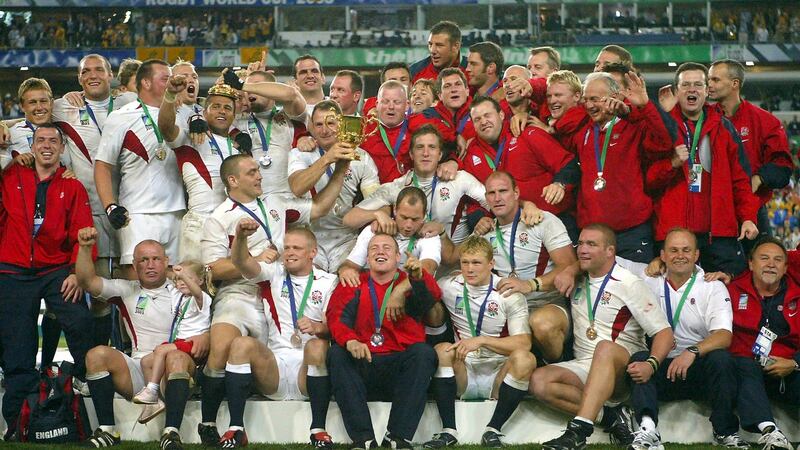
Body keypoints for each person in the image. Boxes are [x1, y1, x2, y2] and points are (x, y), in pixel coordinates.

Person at [198, 153, 344, 445]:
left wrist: (338, 167)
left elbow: (318, 208)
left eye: (258, 170)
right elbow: (212, 269)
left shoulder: (275, 202)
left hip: (278, 288)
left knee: (269, 351)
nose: (260, 175)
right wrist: (254, 255)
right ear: (233, 180)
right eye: (252, 172)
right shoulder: (218, 218)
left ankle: (310, 425)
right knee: (223, 347)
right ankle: (209, 422)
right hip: (240, 292)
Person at [534, 224, 673, 449]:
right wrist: (570, 270)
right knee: (539, 382)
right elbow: (573, 267)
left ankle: (578, 431)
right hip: (585, 364)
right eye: (580, 244)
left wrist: (652, 364)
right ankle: (612, 417)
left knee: (604, 348)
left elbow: (664, 332)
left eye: (591, 244)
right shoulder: (578, 277)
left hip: (620, 367)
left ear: (610, 251)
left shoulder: (629, 283)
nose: (582, 249)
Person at [0, 124, 95, 436]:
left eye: (53, 141)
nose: (47, 145)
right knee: (17, 347)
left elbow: (83, 231)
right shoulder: (11, 176)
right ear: (32, 145)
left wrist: (76, 272)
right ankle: (17, 423)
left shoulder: (73, 185)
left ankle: (84, 379)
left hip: (55, 269)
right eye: (40, 140)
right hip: (13, 269)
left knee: (80, 319)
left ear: (62, 148)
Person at [616, 228, 747, 449]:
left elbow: (724, 335)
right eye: (673, 250)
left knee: (721, 359)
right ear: (662, 255)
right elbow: (611, 261)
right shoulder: (648, 279)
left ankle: (725, 431)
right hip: (660, 366)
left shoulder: (712, 286)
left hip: (697, 369)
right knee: (639, 359)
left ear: (696, 255)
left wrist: (691, 352)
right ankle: (648, 430)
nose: (680, 256)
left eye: (686, 250)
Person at [77, 232, 209, 449]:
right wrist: (84, 248)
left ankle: (171, 433)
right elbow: (86, 281)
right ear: (134, 265)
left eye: (156, 259)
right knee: (96, 355)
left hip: (174, 369)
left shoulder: (182, 289)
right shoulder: (126, 290)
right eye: (143, 260)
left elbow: (206, 317)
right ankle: (107, 431)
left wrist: (206, 336)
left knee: (175, 357)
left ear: (166, 262)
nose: (150, 265)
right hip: (139, 370)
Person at [224, 223, 338, 449]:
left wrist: (317, 327)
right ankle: (236, 428)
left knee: (317, 345)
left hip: (308, 369)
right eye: (287, 247)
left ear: (312, 252)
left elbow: (333, 327)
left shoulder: (328, 281)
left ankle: (318, 430)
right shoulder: (273, 273)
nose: (290, 252)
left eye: (297, 248)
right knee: (240, 344)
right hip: (274, 367)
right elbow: (241, 262)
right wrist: (240, 237)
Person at [445, 171, 575, 363]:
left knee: (542, 324)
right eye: (491, 193)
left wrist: (530, 284)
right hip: (507, 307)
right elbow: (454, 257)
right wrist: (443, 234)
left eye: (503, 191)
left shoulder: (542, 220)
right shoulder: (486, 231)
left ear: (516, 193)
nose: (497, 198)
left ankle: (553, 366)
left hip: (545, 303)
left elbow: (569, 267)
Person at [326, 233, 441, 449]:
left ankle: (397, 437)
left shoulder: (409, 281)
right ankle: (363, 438)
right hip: (364, 363)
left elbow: (431, 297)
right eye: (374, 248)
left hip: (399, 369)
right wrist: (350, 340)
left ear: (398, 257)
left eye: (387, 248)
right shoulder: (353, 282)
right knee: (337, 353)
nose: (380, 251)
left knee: (424, 353)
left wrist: (418, 277)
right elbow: (336, 318)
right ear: (367, 258)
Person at [648, 62, 760, 275]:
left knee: (727, 289)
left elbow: (740, 181)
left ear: (707, 90)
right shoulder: (662, 128)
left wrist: (747, 217)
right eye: (685, 85)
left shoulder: (724, 128)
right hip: (674, 236)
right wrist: (671, 164)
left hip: (718, 235)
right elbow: (648, 180)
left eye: (698, 84)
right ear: (676, 91)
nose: (692, 89)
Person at [424, 235, 535, 448]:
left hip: (498, 372)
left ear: (491, 264)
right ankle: (448, 431)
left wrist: (482, 340)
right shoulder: (449, 286)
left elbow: (524, 343)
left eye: (476, 263)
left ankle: (493, 430)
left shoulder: (508, 293)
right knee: (441, 350)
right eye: (464, 262)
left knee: (525, 359)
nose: (469, 269)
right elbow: (421, 290)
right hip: (464, 368)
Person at [566, 71, 672, 263]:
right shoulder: (583, 132)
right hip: (593, 233)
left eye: (595, 99)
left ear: (614, 97)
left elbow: (665, 143)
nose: (589, 105)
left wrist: (642, 107)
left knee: (635, 283)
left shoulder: (634, 126)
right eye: (586, 100)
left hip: (631, 232)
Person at [95, 59, 185, 275]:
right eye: (165, 79)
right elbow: (103, 165)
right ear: (145, 82)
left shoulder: (182, 113)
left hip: (177, 212)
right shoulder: (121, 116)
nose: (171, 82)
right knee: (138, 280)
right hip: (137, 213)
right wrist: (110, 207)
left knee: (175, 281)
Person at [712, 238, 799, 450]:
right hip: (744, 372)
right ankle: (770, 431)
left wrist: (794, 363)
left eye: (777, 260)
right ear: (750, 263)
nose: (771, 264)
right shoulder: (729, 291)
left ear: (785, 267)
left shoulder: (797, 296)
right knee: (744, 365)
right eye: (764, 258)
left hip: (786, 369)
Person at [344, 125, 488, 246]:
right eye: (420, 147)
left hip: (453, 266)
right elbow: (349, 219)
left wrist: (484, 220)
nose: (425, 153)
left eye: (432, 147)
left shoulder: (460, 179)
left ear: (440, 154)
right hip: (412, 264)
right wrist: (377, 214)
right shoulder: (397, 187)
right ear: (412, 154)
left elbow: (494, 202)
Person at [288, 100, 381, 272]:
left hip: (346, 238)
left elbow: (375, 200)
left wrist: (377, 215)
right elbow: (297, 187)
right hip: (309, 235)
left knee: (347, 279)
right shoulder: (300, 154)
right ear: (312, 127)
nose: (324, 130)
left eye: (330, 123)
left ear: (342, 124)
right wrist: (327, 158)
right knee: (309, 280)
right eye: (319, 124)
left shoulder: (361, 157)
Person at [708, 59, 793, 245]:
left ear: (734, 83)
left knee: (758, 260)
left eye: (715, 80)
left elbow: (783, 167)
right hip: (711, 211)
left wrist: (759, 178)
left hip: (752, 210)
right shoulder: (704, 119)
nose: (709, 85)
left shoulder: (765, 121)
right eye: (708, 80)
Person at [159, 79, 243, 262]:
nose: (222, 111)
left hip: (231, 223)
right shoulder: (191, 138)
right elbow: (166, 128)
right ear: (204, 112)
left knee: (227, 277)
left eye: (228, 108)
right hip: (200, 223)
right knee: (194, 276)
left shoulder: (238, 147)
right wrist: (170, 95)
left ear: (234, 115)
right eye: (216, 106)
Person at [132, 262, 210, 405]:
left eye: (188, 278)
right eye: (179, 279)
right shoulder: (178, 295)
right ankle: (154, 400)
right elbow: (167, 277)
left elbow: (197, 292)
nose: (182, 282)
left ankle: (152, 389)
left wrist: (182, 275)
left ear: (200, 280)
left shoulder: (202, 298)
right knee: (146, 361)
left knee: (161, 350)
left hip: (192, 343)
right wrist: (169, 269)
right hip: (178, 341)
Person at [226, 68, 308, 196]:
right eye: (247, 89)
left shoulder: (289, 115)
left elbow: (291, 94)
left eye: (257, 85)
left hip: (289, 198)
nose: (249, 90)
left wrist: (243, 85)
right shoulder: (238, 121)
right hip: (255, 200)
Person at [339, 186, 442, 285]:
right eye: (404, 217)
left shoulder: (429, 235)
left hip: (410, 293)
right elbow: (350, 265)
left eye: (415, 219)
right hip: (375, 290)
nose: (408, 225)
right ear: (395, 210)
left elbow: (428, 269)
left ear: (424, 215)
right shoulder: (374, 230)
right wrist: (345, 271)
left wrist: (398, 291)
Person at [4, 78, 57, 169]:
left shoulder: (63, 130)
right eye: (32, 102)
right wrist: (14, 161)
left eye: (43, 101)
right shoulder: (10, 134)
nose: (39, 107)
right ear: (22, 106)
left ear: (51, 103)